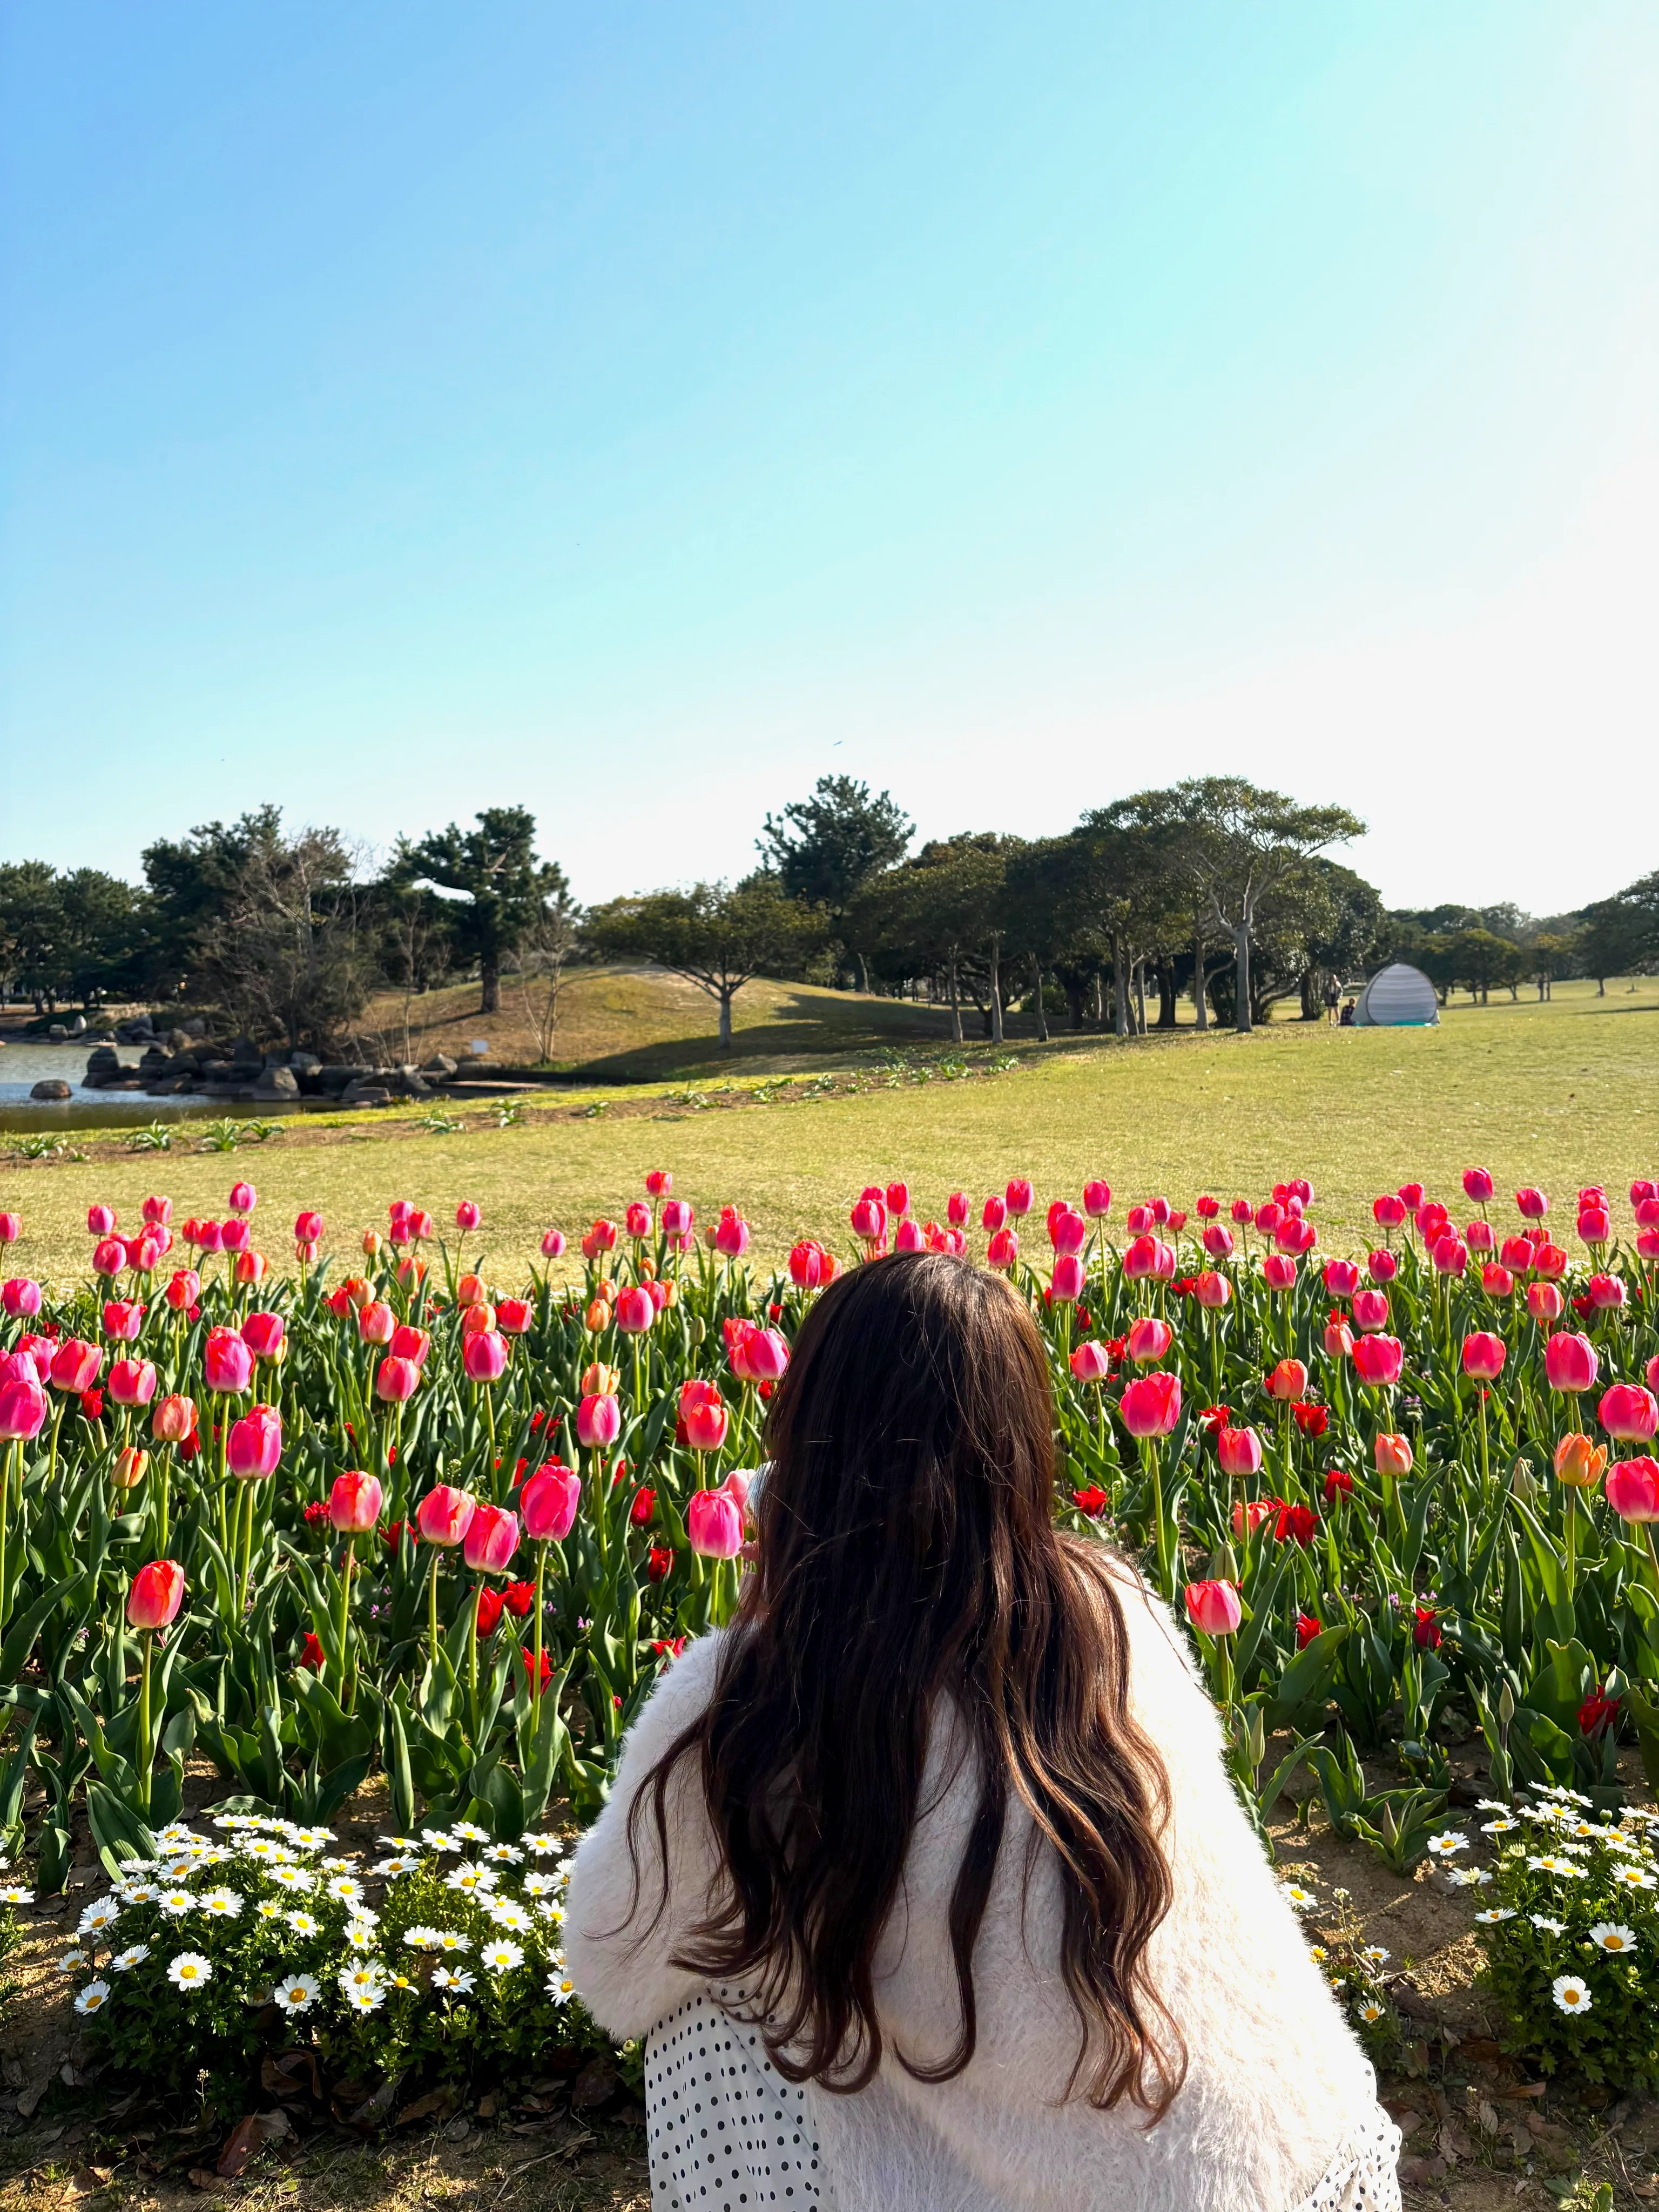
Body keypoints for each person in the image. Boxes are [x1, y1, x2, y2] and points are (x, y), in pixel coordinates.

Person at [567, 1253, 1399, 2212]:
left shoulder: (759, 1693)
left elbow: (611, 1962)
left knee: (709, 1987)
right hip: (1294, 2167)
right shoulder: (1112, 1613)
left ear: (806, 1438)